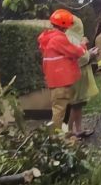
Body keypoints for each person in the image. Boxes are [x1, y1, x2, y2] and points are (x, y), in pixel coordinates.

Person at [38, 9, 88, 140]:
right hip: (62, 82)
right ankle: (57, 139)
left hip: (56, 81)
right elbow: (75, 52)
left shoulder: (48, 39)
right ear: (64, 25)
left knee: (60, 110)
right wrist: (83, 45)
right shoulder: (58, 39)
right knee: (59, 111)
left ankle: (62, 135)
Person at [65, 15, 99, 137]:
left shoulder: (71, 37)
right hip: (77, 76)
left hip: (78, 75)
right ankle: (70, 130)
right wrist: (91, 54)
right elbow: (80, 58)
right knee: (76, 104)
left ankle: (78, 129)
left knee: (79, 105)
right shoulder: (72, 38)